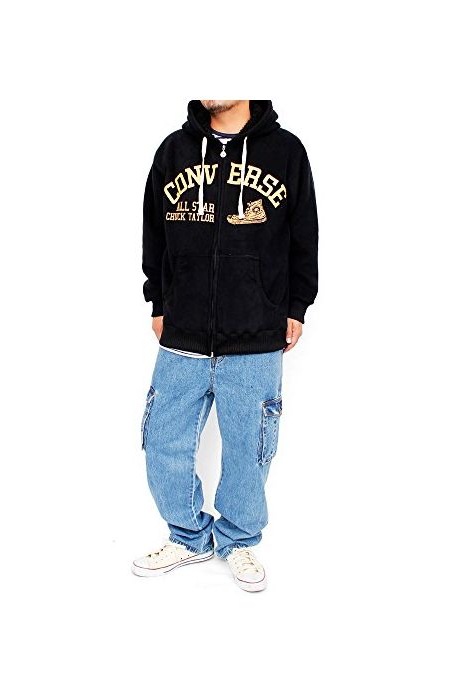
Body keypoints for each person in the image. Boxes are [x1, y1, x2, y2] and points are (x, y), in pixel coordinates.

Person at [134, 100, 318, 592]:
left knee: (249, 448)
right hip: (182, 331)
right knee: (163, 441)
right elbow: (154, 232)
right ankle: (188, 536)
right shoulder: (174, 151)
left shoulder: (286, 152)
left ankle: (238, 541)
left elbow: (304, 235)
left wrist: (297, 306)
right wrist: (159, 301)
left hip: (256, 330)